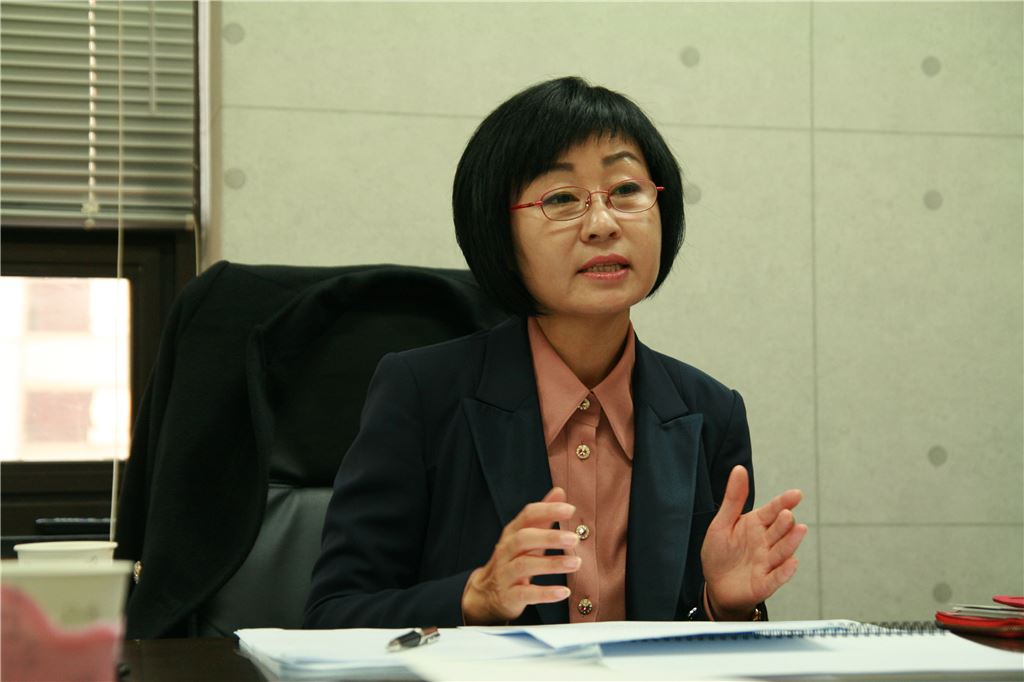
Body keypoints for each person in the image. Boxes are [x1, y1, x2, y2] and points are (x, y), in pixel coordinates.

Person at [304, 76, 807, 628]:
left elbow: (691, 642)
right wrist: (473, 598)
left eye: (626, 191)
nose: (603, 224)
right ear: (499, 231)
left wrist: (725, 606)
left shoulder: (710, 412)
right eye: (561, 199)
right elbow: (333, 616)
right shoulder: (422, 393)